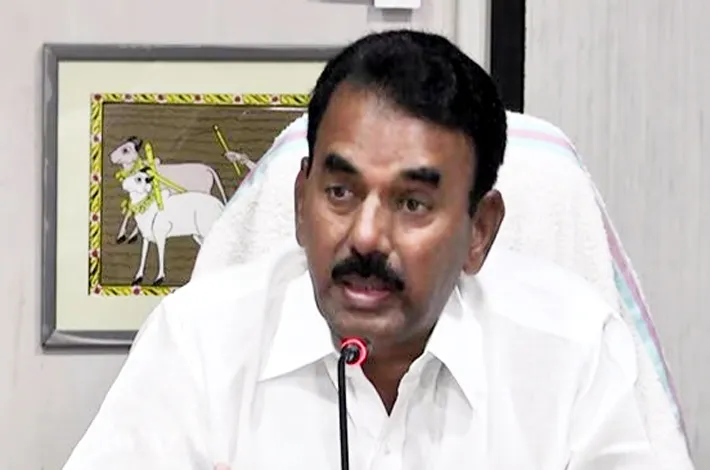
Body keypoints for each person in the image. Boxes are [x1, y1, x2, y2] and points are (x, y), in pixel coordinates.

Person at [62, 30, 655, 469]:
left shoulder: (573, 355)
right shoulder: (199, 343)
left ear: (479, 230)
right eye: (340, 193)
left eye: (412, 203)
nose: (366, 236)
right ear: (302, 202)